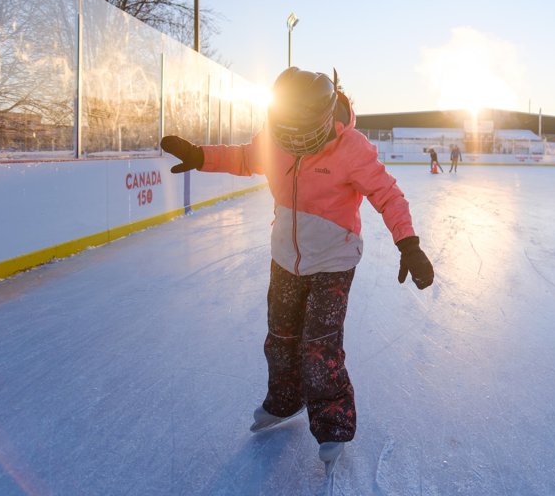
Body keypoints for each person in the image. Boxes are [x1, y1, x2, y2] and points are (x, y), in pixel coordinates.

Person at [160, 67, 435, 477]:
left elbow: (386, 193)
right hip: (285, 259)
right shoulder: (275, 139)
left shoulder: (352, 148)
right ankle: (286, 398)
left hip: (333, 263)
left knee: (318, 347)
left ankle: (334, 423)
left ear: (325, 118)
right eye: (284, 130)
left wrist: (408, 243)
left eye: (300, 131)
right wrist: (201, 156)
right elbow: (242, 157)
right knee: (280, 337)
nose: (291, 140)